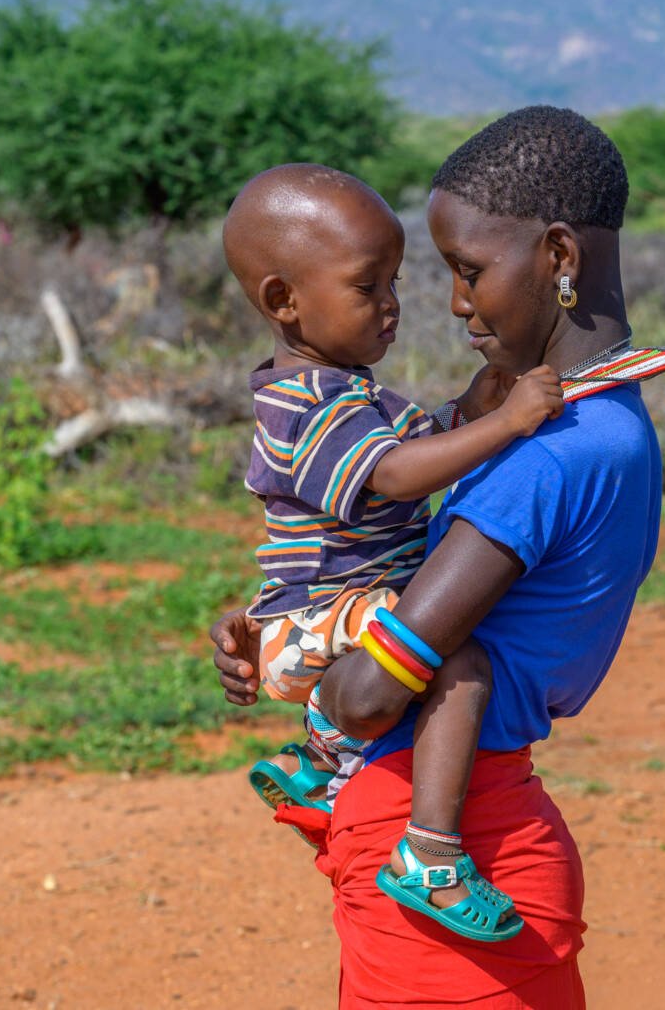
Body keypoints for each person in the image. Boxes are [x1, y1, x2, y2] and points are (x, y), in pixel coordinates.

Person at [212, 107, 665, 1007]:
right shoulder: (608, 422)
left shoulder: (546, 455)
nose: (450, 301)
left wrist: (311, 660)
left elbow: (365, 696)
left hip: (447, 835)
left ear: (557, 257)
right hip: (491, 823)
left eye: (467, 271)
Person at [224, 163, 565, 941]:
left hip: (319, 613)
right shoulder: (302, 409)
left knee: (421, 635)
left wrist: (460, 413)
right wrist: (506, 422)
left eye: (393, 283)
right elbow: (394, 473)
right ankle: (431, 855)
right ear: (283, 300)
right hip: (314, 619)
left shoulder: (345, 391)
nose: (392, 307)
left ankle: (318, 762)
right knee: (457, 659)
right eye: (366, 287)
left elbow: (400, 455)